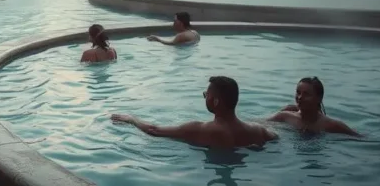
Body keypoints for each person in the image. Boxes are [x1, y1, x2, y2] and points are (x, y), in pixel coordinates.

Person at [111, 76, 277, 148]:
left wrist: (131, 118)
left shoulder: (199, 129)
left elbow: (154, 130)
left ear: (216, 101)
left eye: (207, 95)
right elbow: (276, 137)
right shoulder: (258, 130)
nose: (205, 97)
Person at [268, 77, 361, 137]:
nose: (300, 97)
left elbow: (359, 138)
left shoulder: (330, 125)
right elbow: (260, 125)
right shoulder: (283, 117)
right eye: (298, 92)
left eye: (306, 94)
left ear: (319, 98)